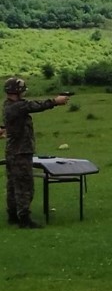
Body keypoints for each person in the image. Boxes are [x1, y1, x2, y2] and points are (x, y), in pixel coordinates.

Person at [3, 77, 69, 228]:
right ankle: (24, 220)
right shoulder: (17, 106)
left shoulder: (9, 105)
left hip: (14, 151)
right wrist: (55, 101)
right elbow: (35, 106)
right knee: (25, 186)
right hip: (20, 152)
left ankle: (13, 216)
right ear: (17, 91)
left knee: (13, 185)